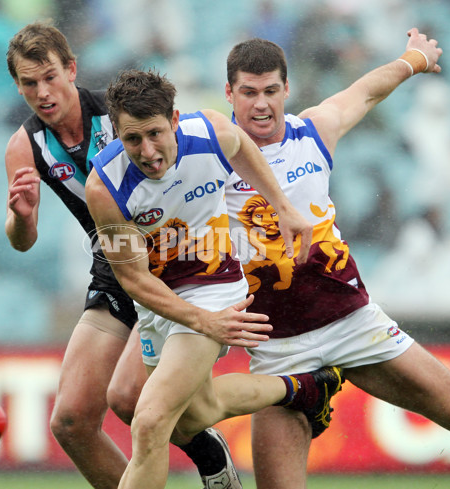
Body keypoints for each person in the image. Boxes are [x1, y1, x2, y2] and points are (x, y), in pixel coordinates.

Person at [4, 21, 256, 489]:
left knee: (130, 399)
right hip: (113, 263)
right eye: (29, 83)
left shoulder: (124, 114)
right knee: (71, 422)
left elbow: (203, 147)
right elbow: (23, 242)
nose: (43, 92)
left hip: (172, 263)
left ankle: (209, 453)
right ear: (17, 86)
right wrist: (21, 217)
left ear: (72, 69)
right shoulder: (25, 146)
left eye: (51, 77)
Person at [223, 28, 450, 489]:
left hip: (353, 324)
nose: (261, 105)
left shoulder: (313, 129)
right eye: (249, 92)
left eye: (271, 91)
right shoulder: (208, 159)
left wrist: (415, 59)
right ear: (229, 93)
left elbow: (367, 90)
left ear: (287, 90)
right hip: (277, 351)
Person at [85, 68, 344, 489]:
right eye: (132, 139)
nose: (148, 151)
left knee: (150, 421)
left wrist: (280, 205)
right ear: (116, 134)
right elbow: (133, 279)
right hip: (157, 298)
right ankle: (303, 389)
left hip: (215, 287)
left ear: (174, 119)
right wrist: (197, 322)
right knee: (196, 414)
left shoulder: (211, 132)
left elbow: (241, 146)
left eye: (155, 133)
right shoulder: (104, 187)